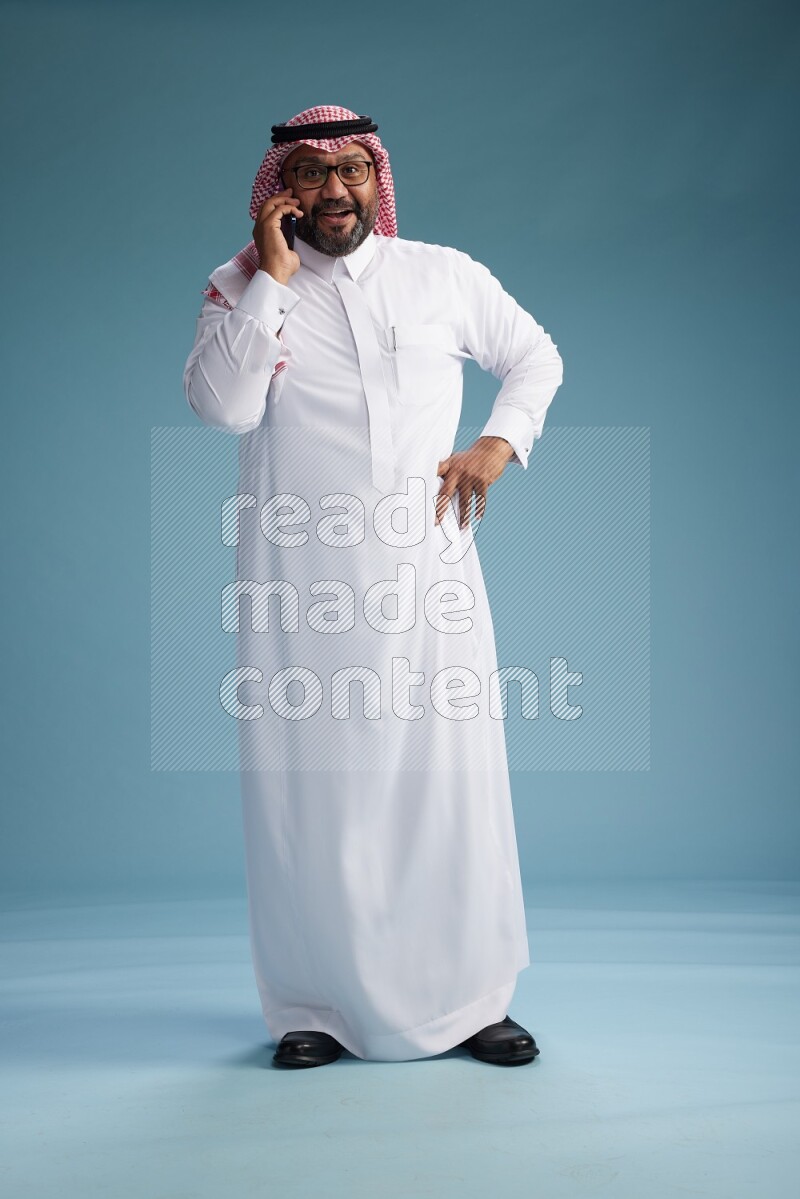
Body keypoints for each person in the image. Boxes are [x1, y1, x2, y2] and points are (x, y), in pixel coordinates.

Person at [182, 105, 564, 1068]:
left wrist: (497, 442)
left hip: (428, 580)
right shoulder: (239, 288)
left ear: (375, 178)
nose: (335, 189)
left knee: (448, 788)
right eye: (312, 173)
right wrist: (271, 282)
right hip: (300, 591)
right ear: (283, 190)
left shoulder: (441, 274)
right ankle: (311, 1006)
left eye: (352, 169)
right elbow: (224, 408)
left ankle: (474, 1001)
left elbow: (534, 355)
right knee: (311, 797)